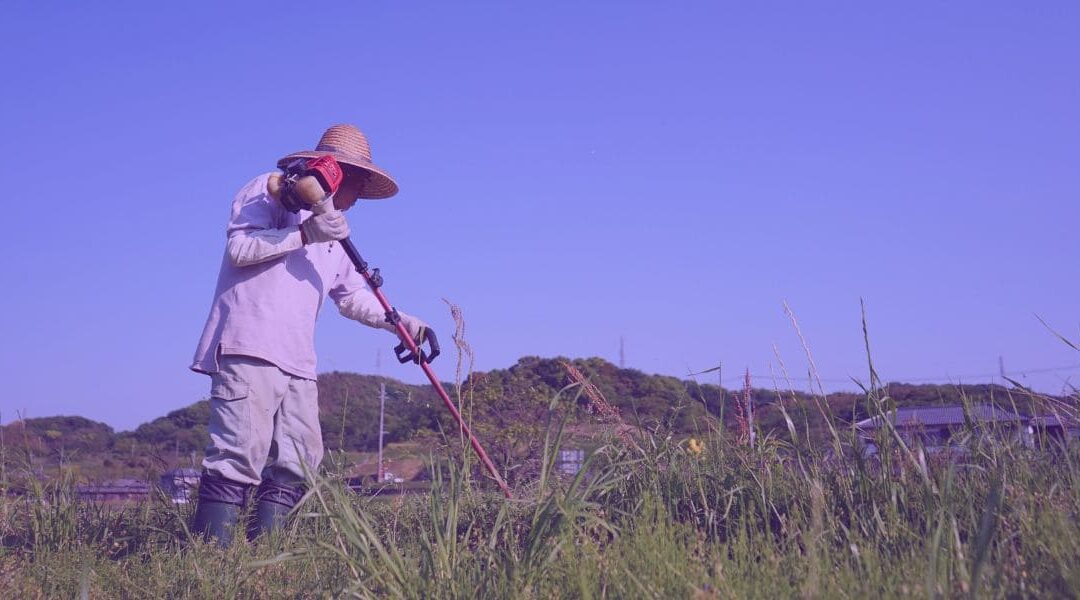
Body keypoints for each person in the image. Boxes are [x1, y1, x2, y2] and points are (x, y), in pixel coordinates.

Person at [189, 124, 430, 546]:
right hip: (249, 344)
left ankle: (266, 557)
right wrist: (303, 232)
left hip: (299, 362)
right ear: (334, 173)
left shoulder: (335, 233)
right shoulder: (269, 192)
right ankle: (210, 561)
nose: (356, 195)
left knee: (297, 459)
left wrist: (401, 321)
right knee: (237, 451)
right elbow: (240, 250)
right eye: (354, 181)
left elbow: (352, 296)